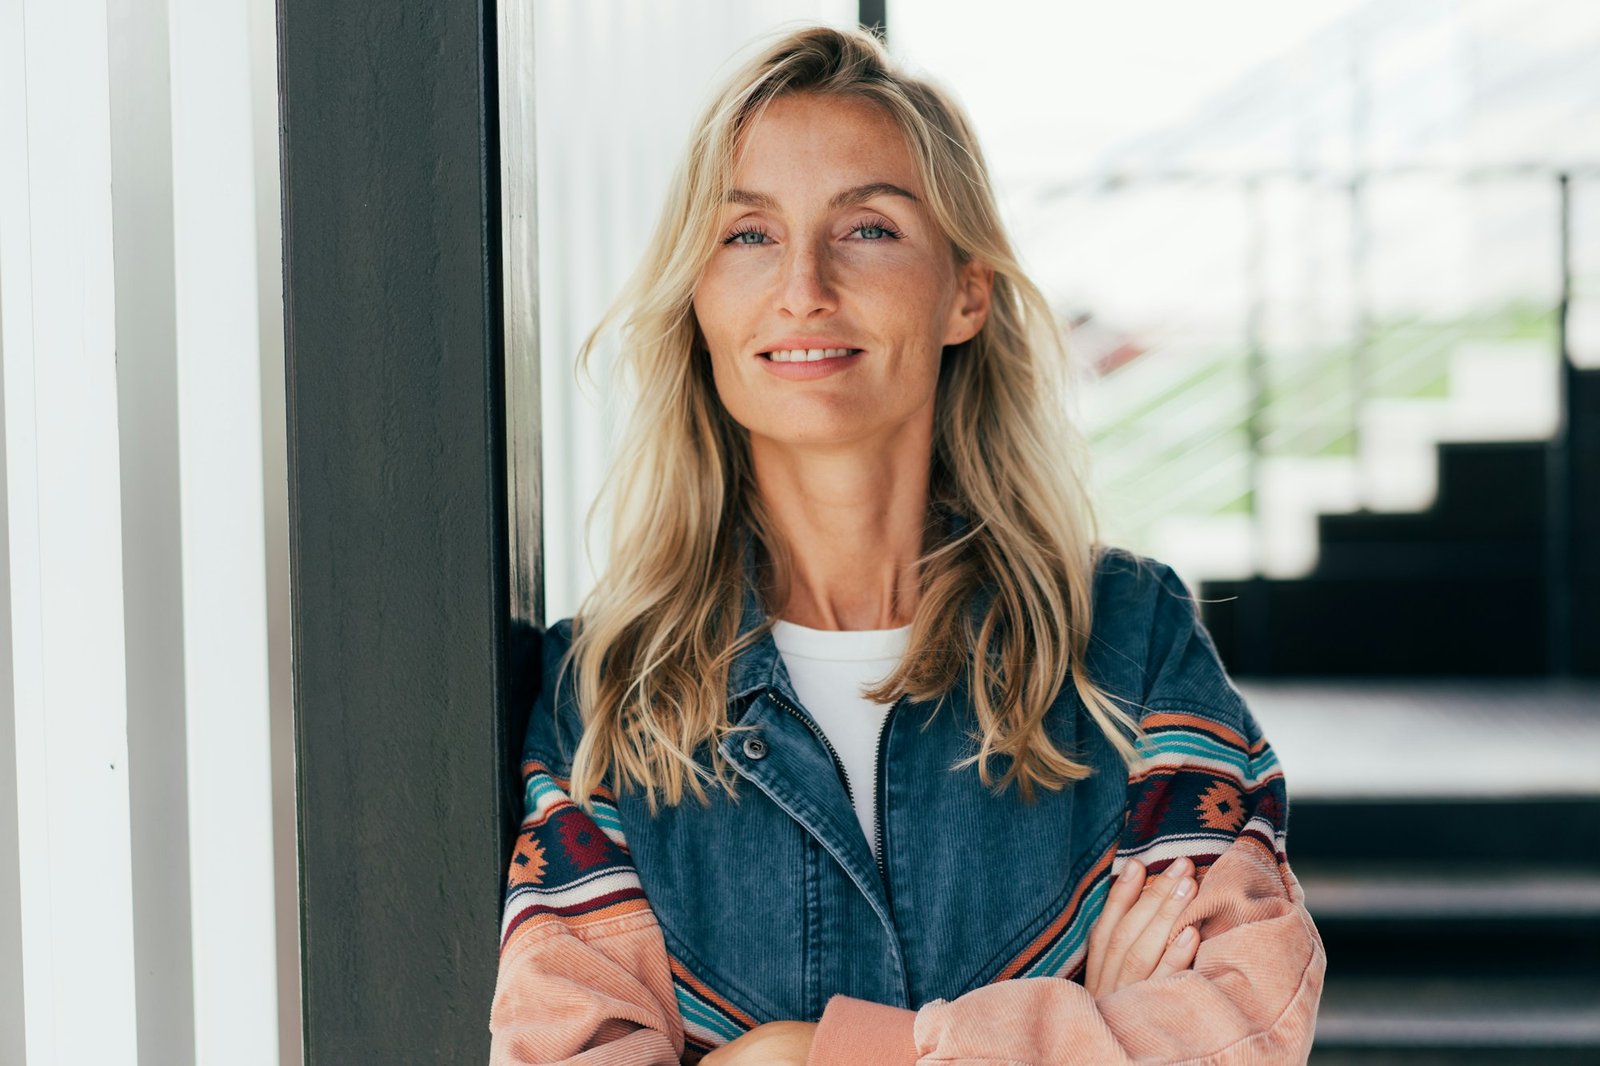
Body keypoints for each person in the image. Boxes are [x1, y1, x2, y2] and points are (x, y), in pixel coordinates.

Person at [489, 23, 1325, 1066]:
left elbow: (1234, 1032)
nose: (802, 285)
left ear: (964, 292)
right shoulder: (605, 700)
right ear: (697, 299)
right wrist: (1087, 1029)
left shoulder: (1125, 645)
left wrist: (792, 1055)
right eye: (746, 235)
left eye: (868, 229)